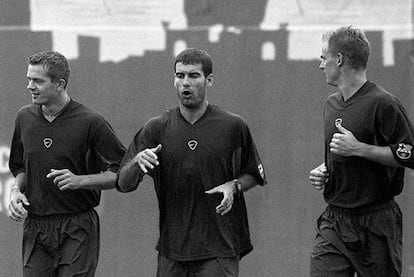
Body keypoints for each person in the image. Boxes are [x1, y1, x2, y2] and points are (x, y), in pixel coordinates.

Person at [116, 48, 267, 277]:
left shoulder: (233, 126)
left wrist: (233, 186)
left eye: (194, 76)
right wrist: (136, 162)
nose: (186, 82)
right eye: (180, 76)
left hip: (219, 249)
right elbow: (124, 184)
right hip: (171, 252)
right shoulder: (156, 128)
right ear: (174, 80)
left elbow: (254, 174)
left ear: (209, 80)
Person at [8, 51, 126, 276]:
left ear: (60, 84)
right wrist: (16, 191)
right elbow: (19, 166)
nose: (30, 86)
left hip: (78, 226)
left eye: (37, 81)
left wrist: (79, 181)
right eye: (29, 79)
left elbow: (121, 171)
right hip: (36, 226)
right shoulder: (24, 118)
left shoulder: (91, 122)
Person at [309, 26, 414, 277]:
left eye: (324, 58)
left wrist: (360, 149)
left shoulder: (383, 103)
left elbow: (410, 153)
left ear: (340, 59)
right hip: (335, 221)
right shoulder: (331, 104)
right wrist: (327, 169)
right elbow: (342, 153)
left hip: (376, 223)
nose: (320, 65)